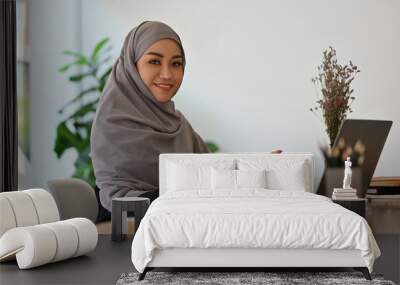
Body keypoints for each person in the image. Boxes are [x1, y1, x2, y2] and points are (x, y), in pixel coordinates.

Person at [90, 21, 209, 216]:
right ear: (132, 66)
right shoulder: (113, 124)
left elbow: (214, 172)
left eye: (176, 64)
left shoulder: (178, 124)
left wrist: (258, 165)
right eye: (154, 61)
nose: (167, 74)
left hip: (181, 220)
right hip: (125, 226)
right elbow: (119, 200)